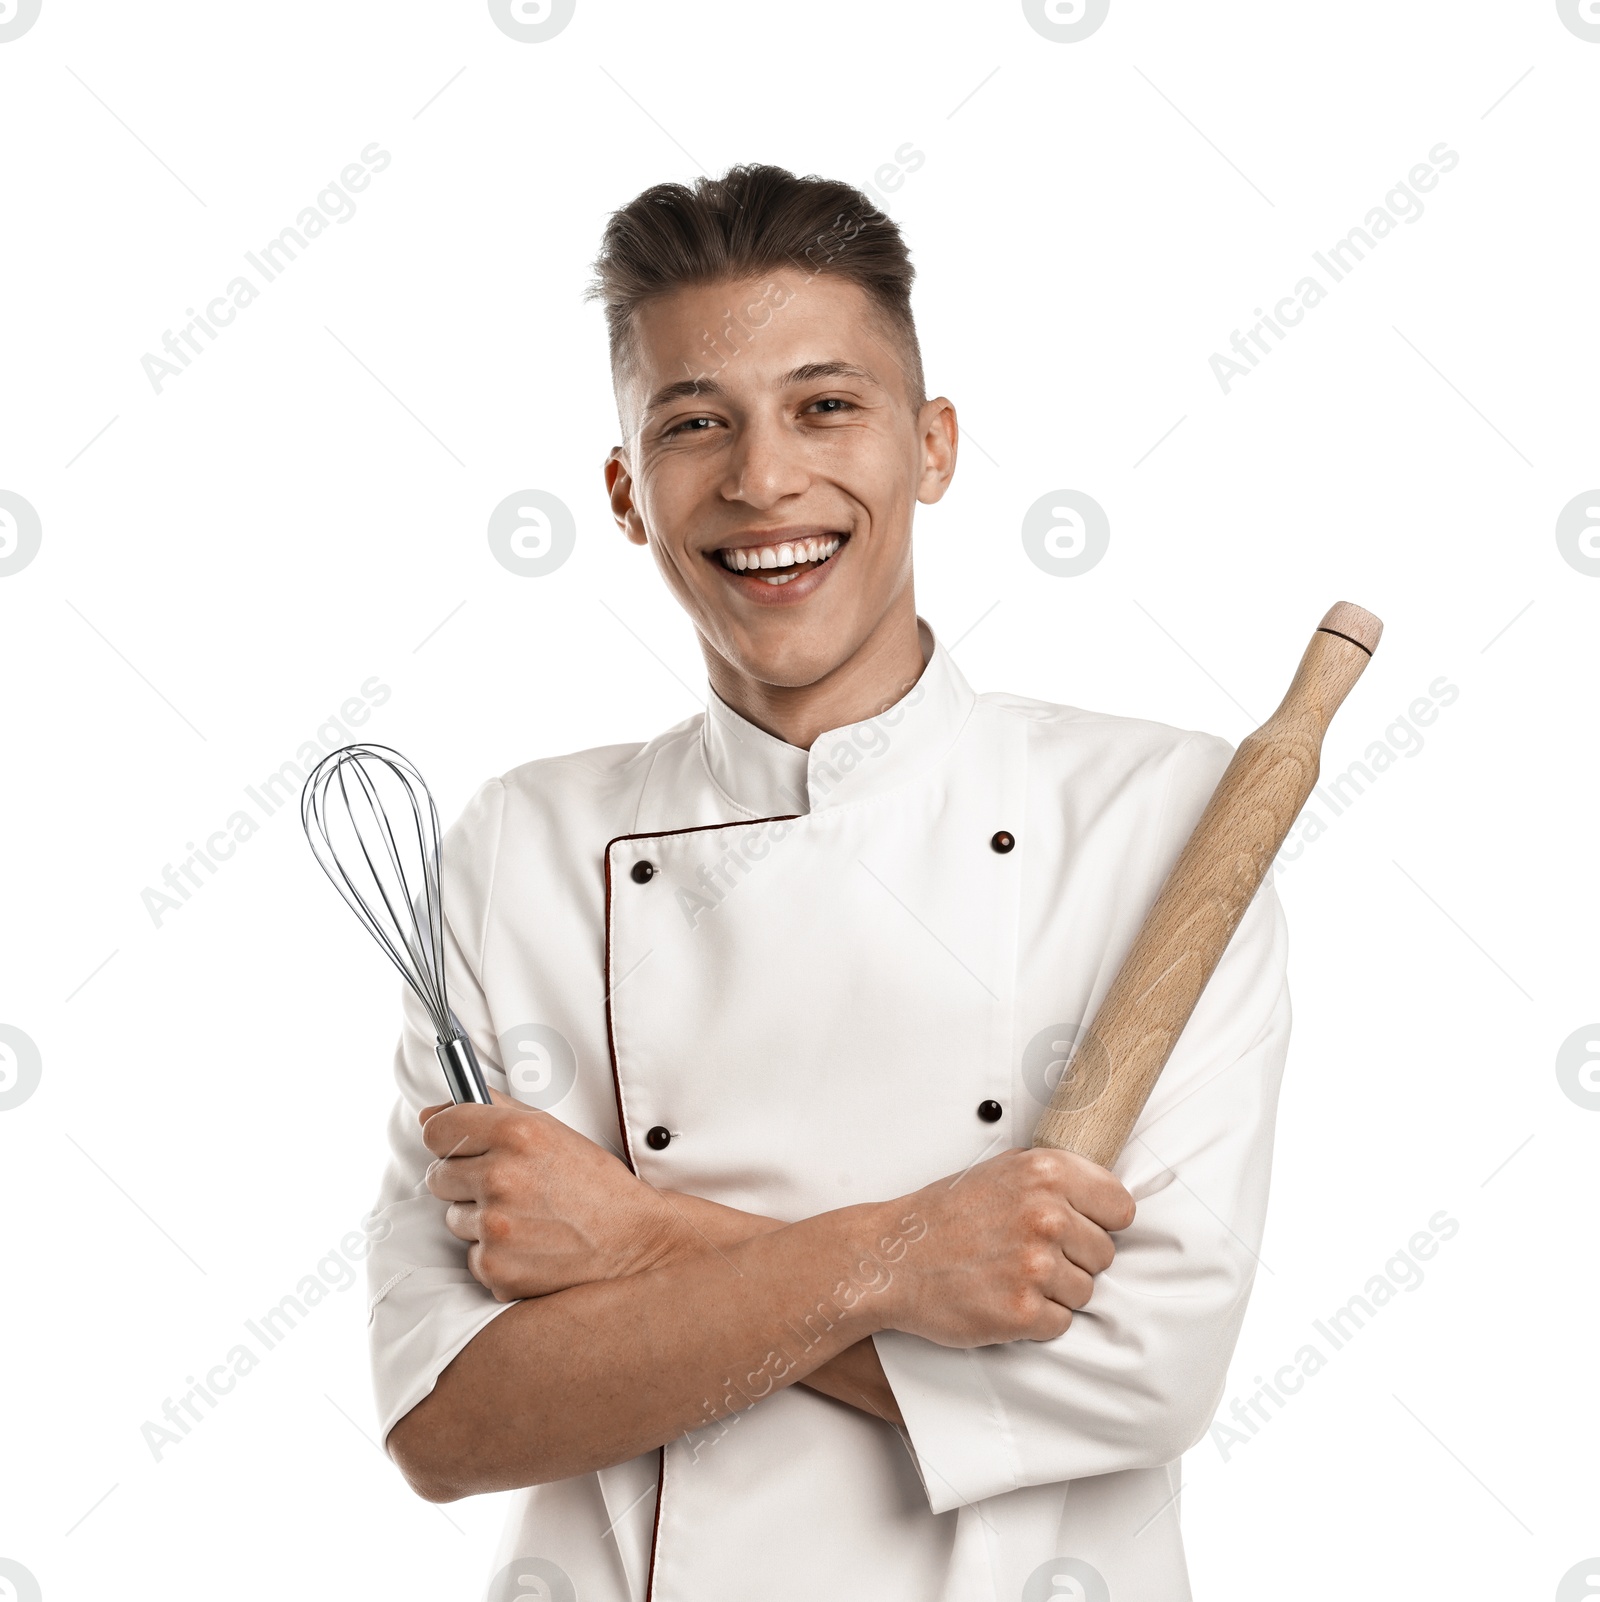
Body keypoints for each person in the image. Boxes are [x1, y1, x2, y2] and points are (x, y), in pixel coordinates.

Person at [366, 162, 1291, 1602]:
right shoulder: (525, 844)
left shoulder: (1160, 817)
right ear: (624, 490)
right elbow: (454, 1419)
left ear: (933, 445)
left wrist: (643, 1239)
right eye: (692, 424)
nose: (762, 479)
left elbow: (1142, 1374)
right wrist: (906, 1259)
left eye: (826, 405)